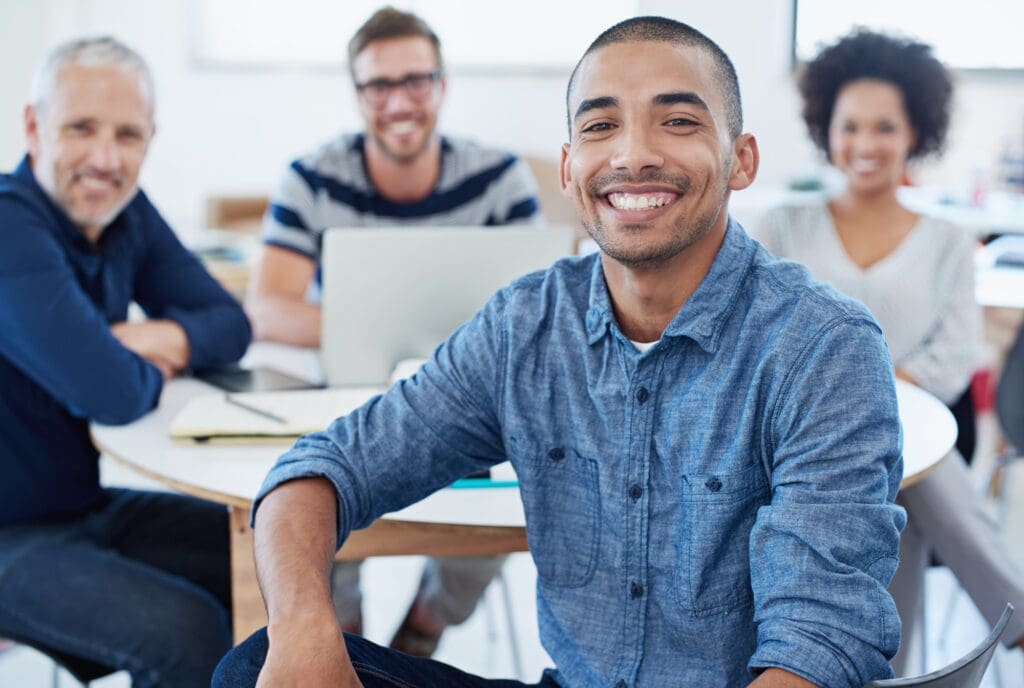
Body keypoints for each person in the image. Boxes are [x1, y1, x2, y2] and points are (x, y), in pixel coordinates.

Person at [215, 16, 905, 688]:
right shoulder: (527, 326)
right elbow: (319, 471)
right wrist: (306, 625)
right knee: (255, 665)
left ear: (741, 159)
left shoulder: (823, 348)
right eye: (601, 125)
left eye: (679, 120)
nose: (633, 154)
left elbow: (821, 644)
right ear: (571, 168)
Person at [244, 6, 541, 656]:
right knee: (315, 491)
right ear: (357, 95)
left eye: (416, 80)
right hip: (347, 398)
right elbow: (268, 306)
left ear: (442, 85)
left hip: (468, 411)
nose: (399, 101)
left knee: (525, 487)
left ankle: (423, 628)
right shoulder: (311, 178)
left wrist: (442, 359)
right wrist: (379, 333)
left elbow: (535, 314)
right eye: (379, 85)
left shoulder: (499, 179)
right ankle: (343, 638)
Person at [753, 29, 1024, 673]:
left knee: (891, 457)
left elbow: (956, 357)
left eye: (885, 127)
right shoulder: (784, 225)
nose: (866, 145)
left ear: (914, 133)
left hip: (913, 425)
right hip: (796, 435)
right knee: (898, 466)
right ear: (828, 130)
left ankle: (879, 670)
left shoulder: (950, 241)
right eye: (851, 127)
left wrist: (869, 394)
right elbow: (758, 339)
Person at [0, 37, 252, 686]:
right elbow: (112, 392)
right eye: (81, 128)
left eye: (128, 135)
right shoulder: (8, 225)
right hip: (9, 533)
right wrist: (123, 356)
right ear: (33, 126)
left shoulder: (122, 210)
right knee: (187, 634)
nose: (105, 158)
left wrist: (137, 339)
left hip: (83, 508)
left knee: (278, 551)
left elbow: (231, 324)